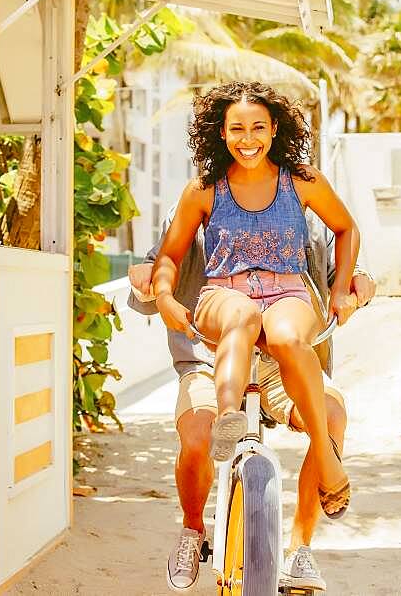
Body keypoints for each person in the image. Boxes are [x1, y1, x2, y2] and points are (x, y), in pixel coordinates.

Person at [149, 81, 362, 587]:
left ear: (275, 130)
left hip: (288, 292)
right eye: (237, 128)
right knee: (241, 314)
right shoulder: (205, 188)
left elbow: (347, 229)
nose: (248, 139)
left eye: (258, 127)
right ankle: (227, 423)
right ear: (220, 133)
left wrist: (337, 289)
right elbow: (169, 255)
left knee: (290, 339)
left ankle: (304, 536)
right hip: (225, 295)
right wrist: (163, 294)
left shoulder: (302, 180)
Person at [128, 209, 374, 592]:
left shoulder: (302, 215)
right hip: (209, 360)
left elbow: (339, 266)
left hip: (280, 364)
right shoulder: (195, 211)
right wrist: (144, 281)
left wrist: (361, 280)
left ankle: (299, 549)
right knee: (195, 437)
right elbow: (159, 269)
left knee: (330, 417)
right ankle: (193, 529)